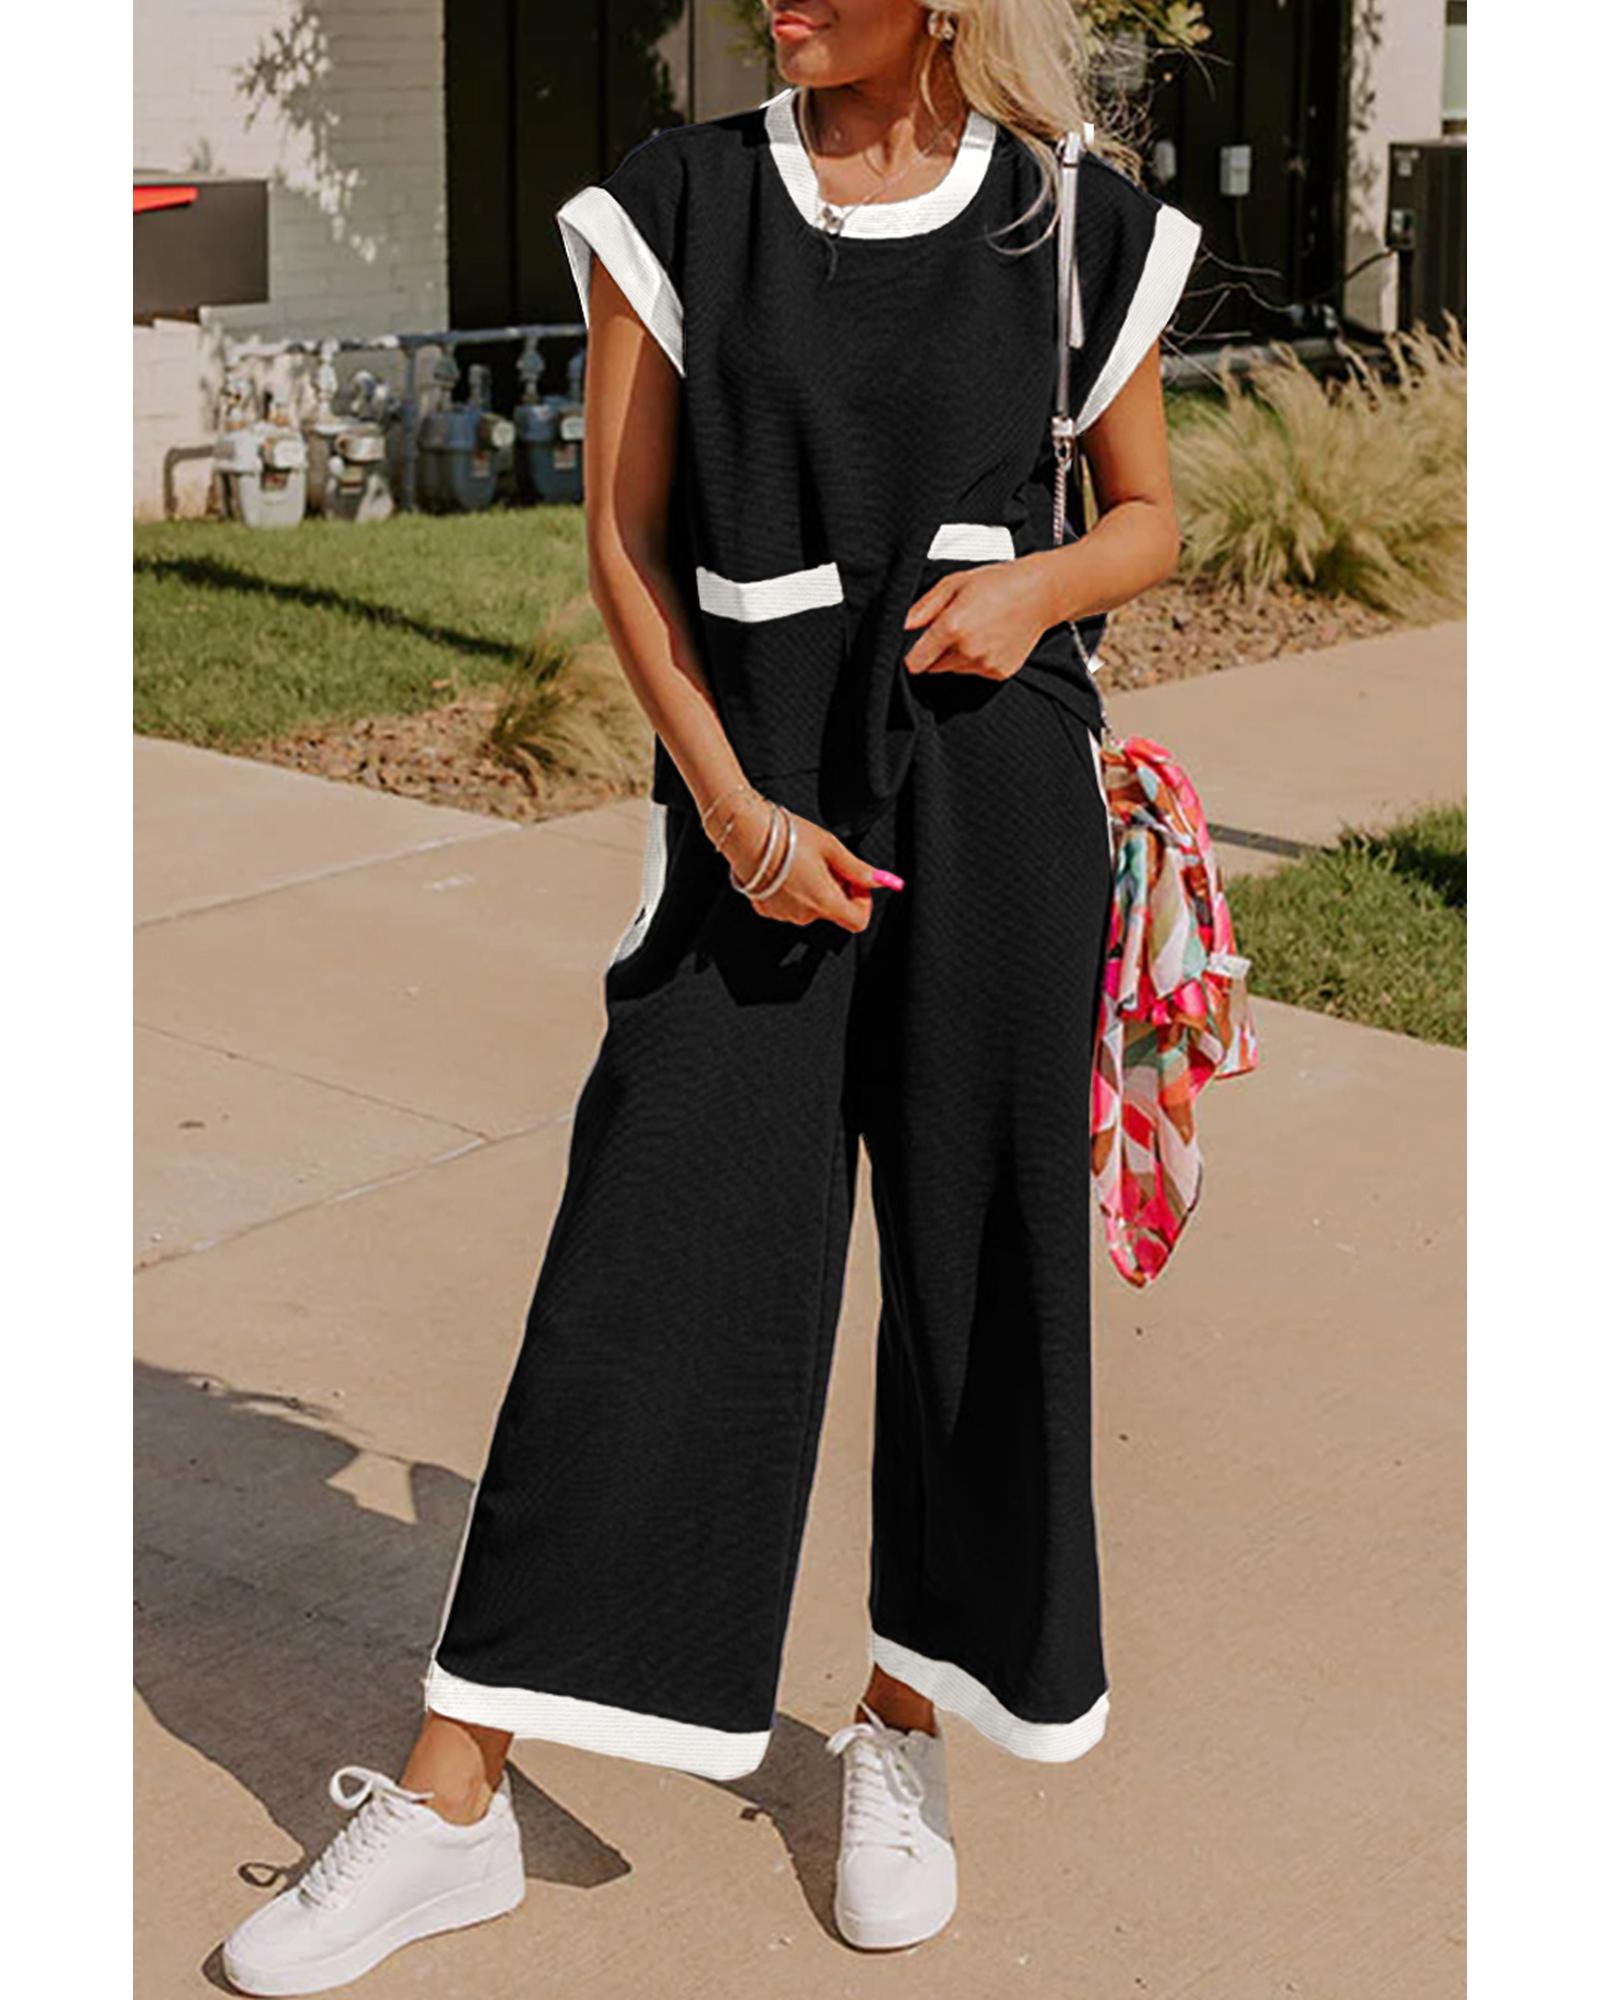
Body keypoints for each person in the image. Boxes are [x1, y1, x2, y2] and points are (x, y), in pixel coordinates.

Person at [221, 2, 1201, 1990]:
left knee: (979, 1282)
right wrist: (739, 816)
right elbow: (623, 541)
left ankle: (901, 1724)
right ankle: (455, 1799)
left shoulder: (1068, 223)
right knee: (643, 1273)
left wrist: (1033, 588)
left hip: (999, 810)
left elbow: (1146, 518)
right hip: (756, 819)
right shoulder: (679, 204)